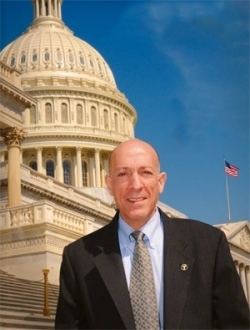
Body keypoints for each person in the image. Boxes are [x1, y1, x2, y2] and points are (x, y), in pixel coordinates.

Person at [55, 138, 249, 329]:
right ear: (109, 184)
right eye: (123, 174)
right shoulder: (79, 257)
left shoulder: (208, 244)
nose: (135, 185)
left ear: (161, 182)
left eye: (145, 172)